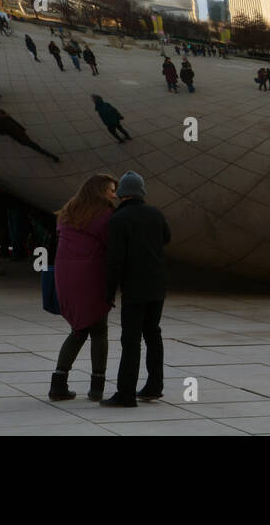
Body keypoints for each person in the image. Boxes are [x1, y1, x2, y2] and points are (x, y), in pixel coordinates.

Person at [104, 172, 170, 407]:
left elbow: (115, 260)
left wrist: (109, 291)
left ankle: (126, 393)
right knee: (153, 335)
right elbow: (166, 238)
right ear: (142, 191)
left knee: (130, 340)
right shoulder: (156, 214)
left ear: (121, 193)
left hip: (134, 287)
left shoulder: (118, 219)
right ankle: (154, 385)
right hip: (157, 286)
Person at [49, 174, 117, 401]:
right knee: (98, 330)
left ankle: (58, 383)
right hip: (91, 275)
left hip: (65, 275)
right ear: (99, 191)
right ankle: (97, 386)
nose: (114, 195)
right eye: (110, 190)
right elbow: (112, 246)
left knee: (79, 328)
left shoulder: (68, 212)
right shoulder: (105, 215)